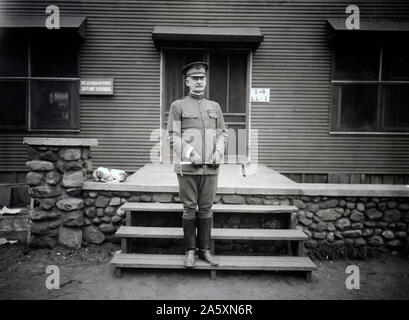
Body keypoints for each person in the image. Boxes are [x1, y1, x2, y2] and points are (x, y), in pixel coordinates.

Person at [166, 61, 228, 268]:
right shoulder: (178, 106)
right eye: (195, 78)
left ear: (206, 81)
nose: (199, 82)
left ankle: (205, 250)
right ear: (187, 82)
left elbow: (222, 133)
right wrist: (189, 152)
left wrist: (219, 151)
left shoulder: (215, 107)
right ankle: (190, 251)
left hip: (210, 168)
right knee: (189, 208)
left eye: (202, 78)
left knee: (207, 209)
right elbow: (172, 136)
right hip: (188, 167)